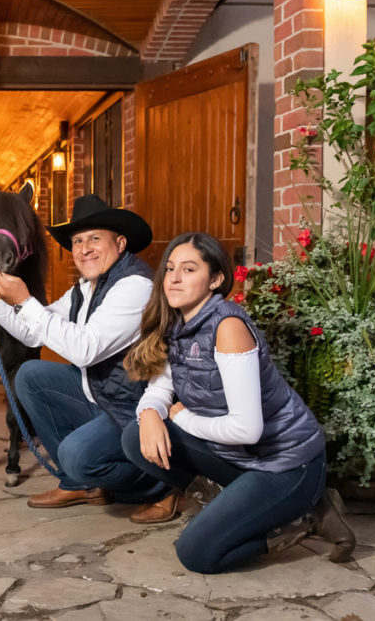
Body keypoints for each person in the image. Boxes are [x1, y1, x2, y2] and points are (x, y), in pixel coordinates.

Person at [121, 232, 355, 574]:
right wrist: (150, 414)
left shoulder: (228, 327)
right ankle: (231, 505)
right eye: (170, 268)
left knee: (197, 553)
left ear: (215, 279)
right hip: (241, 457)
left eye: (188, 269)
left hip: (286, 464)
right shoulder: (177, 324)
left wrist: (181, 418)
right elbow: (159, 389)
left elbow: (247, 429)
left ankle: (302, 517)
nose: (173, 277)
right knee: (135, 435)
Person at [0, 194, 168, 510]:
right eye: (77, 241)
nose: (84, 248)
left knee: (76, 455)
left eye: (94, 238)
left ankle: (161, 484)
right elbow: (30, 335)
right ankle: (77, 484)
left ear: (119, 244)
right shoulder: (84, 288)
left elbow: (84, 349)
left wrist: (23, 301)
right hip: (99, 395)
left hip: (131, 408)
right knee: (30, 375)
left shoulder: (135, 286)